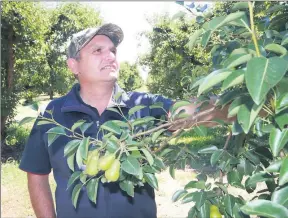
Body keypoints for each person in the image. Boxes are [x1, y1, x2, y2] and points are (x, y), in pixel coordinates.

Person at [19, 23, 232, 218]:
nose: (110, 56)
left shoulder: (143, 106)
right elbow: (36, 174)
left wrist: (243, 105)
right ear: (74, 66)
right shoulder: (53, 114)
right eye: (98, 51)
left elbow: (194, 111)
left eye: (113, 50)